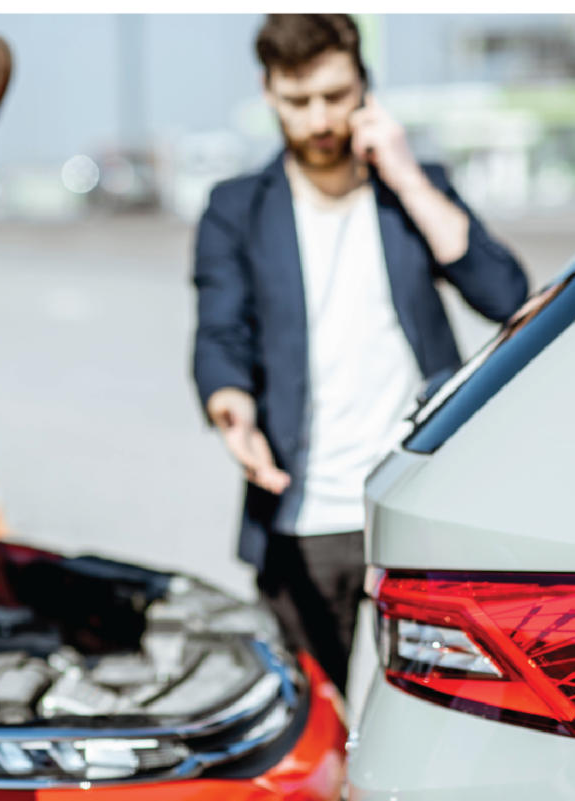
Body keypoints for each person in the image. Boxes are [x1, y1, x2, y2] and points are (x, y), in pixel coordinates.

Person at [192, 13, 528, 696]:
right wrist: (234, 414)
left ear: (365, 89)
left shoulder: (412, 189)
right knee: (314, 728)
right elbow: (219, 333)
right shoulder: (237, 210)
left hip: (415, 507)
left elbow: (504, 293)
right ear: (268, 93)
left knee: (440, 716)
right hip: (300, 519)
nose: (319, 118)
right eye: (298, 100)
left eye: (336, 96)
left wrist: (405, 175)